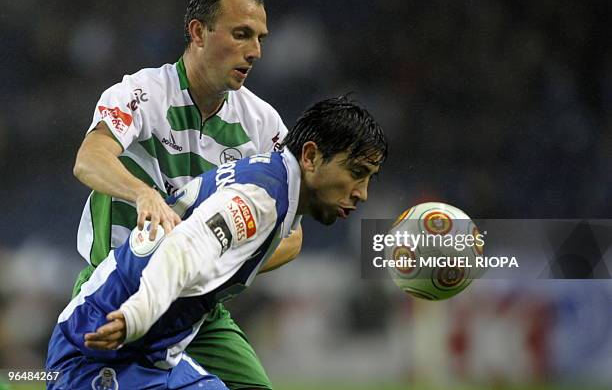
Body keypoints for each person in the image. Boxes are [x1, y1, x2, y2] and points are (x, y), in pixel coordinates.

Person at [46, 97, 388, 389]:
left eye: (370, 179)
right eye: (356, 173)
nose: (362, 193)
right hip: (100, 348)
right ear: (311, 157)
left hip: (153, 352)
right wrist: (138, 315)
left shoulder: (275, 182)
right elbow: (181, 249)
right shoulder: (262, 200)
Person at [71, 0, 302, 389]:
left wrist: (219, 259)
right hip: (116, 289)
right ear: (198, 32)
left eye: (260, 39)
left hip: (197, 307)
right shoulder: (142, 93)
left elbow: (293, 234)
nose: (255, 52)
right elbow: (90, 159)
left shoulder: (265, 125)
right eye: (241, 34)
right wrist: (142, 192)